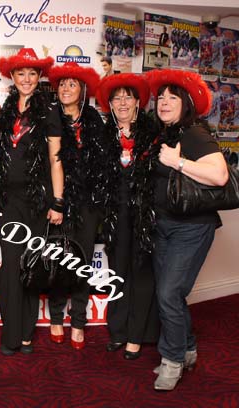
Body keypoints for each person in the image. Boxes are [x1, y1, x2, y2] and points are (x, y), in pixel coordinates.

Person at [145, 68, 228, 391]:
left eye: (172, 98)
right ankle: (187, 348)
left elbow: (219, 176)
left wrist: (177, 162)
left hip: (191, 228)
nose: (164, 103)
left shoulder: (194, 133)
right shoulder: (163, 133)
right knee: (170, 294)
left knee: (169, 293)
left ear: (186, 103)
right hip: (163, 225)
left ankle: (173, 360)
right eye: (161, 98)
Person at [0, 48, 61, 356]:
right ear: (12, 76)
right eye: (21, 73)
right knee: (9, 266)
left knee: (29, 265)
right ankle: (10, 333)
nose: (26, 79)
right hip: (9, 201)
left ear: (39, 77)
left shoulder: (49, 111)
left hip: (37, 199)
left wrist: (57, 201)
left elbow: (55, 159)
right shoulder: (5, 109)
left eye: (32, 74)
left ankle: (26, 333)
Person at [46, 62, 116, 350]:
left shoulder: (93, 120)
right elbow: (51, 161)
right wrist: (57, 202)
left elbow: (102, 163)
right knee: (59, 261)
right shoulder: (49, 117)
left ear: (83, 90)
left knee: (81, 264)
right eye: (62, 84)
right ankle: (55, 318)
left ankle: (78, 321)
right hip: (57, 201)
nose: (65, 88)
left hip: (87, 203)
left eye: (72, 84)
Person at [96, 73, 160, 360]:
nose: (122, 102)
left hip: (145, 214)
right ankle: (118, 331)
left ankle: (137, 335)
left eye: (128, 97)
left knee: (142, 272)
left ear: (138, 102)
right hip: (115, 214)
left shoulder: (153, 132)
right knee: (118, 271)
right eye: (117, 97)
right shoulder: (103, 134)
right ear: (110, 104)